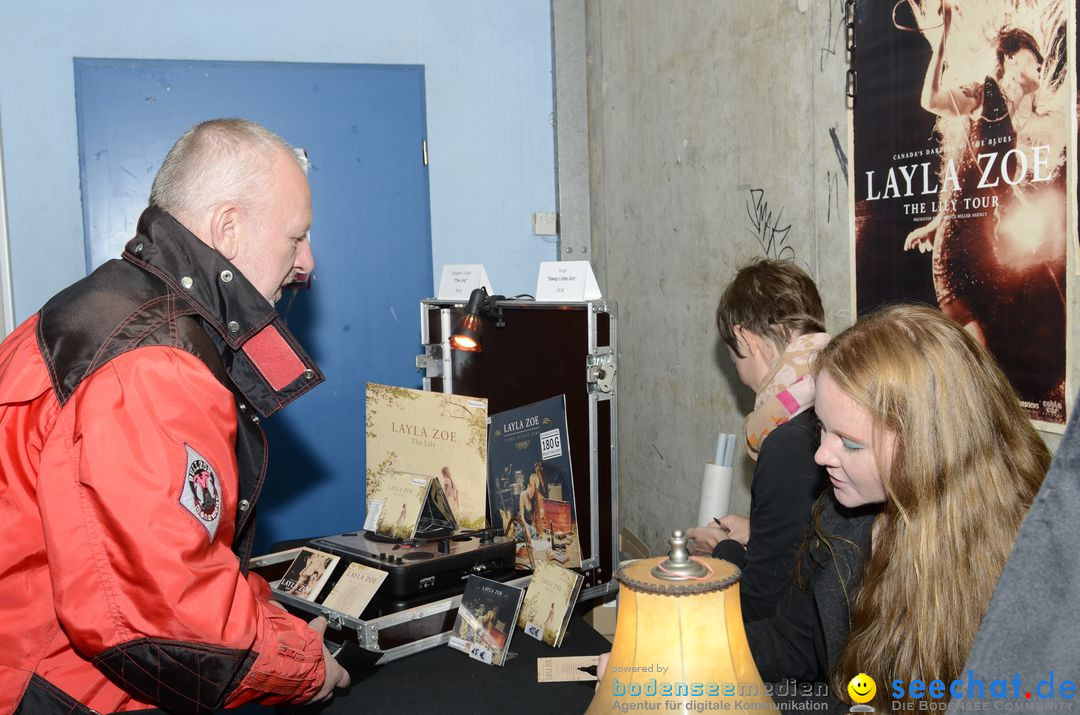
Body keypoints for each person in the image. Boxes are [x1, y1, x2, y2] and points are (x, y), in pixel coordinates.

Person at [0, 119, 350, 712]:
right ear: (228, 228)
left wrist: (266, 613)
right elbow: (166, 617)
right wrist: (306, 667)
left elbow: (172, 553)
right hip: (59, 689)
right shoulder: (151, 366)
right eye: (297, 238)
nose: (307, 263)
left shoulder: (103, 309)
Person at [745, 304, 1049, 710]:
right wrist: (693, 648)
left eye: (850, 443)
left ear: (932, 446)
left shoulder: (1027, 568)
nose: (821, 456)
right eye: (821, 428)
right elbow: (793, 642)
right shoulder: (840, 515)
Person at [903, 0, 1066, 352]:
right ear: (1009, 57)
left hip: (987, 251)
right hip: (959, 256)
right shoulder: (985, 91)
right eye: (1031, 52)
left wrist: (937, 221)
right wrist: (943, 35)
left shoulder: (1014, 119)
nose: (1039, 61)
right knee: (980, 361)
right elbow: (931, 99)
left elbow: (971, 175)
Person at [685, 259, 829, 622]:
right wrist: (761, 535)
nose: (740, 374)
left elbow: (764, 605)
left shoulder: (786, 440)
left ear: (746, 339)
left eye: (734, 358)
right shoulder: (833, 402)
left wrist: (724, 551)